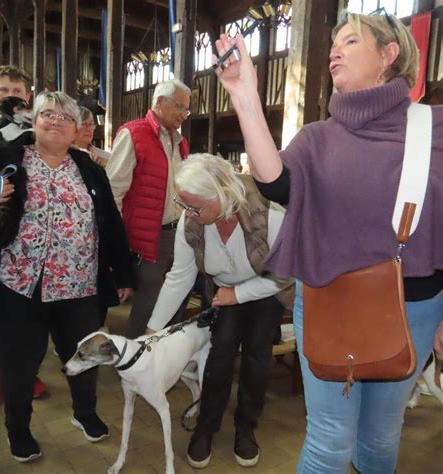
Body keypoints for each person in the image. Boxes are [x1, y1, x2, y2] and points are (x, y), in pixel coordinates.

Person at [213, 9, 442, 474]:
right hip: (327, 299)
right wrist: (244, 95)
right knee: (329, 442)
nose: (335, 50)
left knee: (380, 437)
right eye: (334, 42)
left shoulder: (433, 128)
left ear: (389, 54)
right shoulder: (319, 137)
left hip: (415, 305)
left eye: (351, 41)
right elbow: (275, 182)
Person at [0, 91, 136, 462]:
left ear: (77, 128)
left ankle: (85, 413)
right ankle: (19, 430)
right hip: (19, 285)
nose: (56, 122)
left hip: (78, 285)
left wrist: (123, 273)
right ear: (34, 120)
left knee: (85, 355)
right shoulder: (7, 157)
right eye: (47, 114)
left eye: (65, 117)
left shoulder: (89, 167)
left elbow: (109, 223)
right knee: (20, 364)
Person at [145, 154, 293, 468]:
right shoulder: (193, 220)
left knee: (257, 355)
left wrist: (239, 293)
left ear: (222, 196)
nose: (187, 214)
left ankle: (246, 427)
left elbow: (285, 274)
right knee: (219, 353)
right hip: (225, 290)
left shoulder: (270, 212)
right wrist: (153, 330)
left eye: (194, 207)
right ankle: (206, 427)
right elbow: (180, 276)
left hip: (266, 288)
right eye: (183, 204)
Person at [0, 66, 48, 403]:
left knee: (29, 309)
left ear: (27, 97)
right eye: (4, 90)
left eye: (18, 90)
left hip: (33, 236)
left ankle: (25, 371)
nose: (11, 96)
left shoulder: (39, 131)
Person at [106, 79, 191, 338]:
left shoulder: (180, 142)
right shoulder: (133, 134)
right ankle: (133, 364)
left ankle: (165, 359)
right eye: (179, 107)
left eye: (186, 110)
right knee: (149, 304)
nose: (183, 114)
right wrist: (116, 242)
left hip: (179, 233)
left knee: (176, 302)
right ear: (159, 102)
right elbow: (114, 191)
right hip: (149, 237)